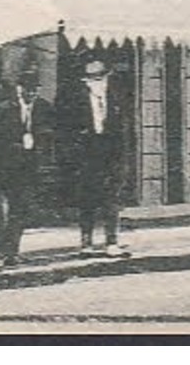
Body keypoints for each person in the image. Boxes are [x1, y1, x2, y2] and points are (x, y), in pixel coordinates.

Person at [61, 58, 130, 258]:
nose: (95, 83)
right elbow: (66, 130)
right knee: (87, 200)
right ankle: (86, 244)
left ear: (107, 77)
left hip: (111, 154)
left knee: (112, 200)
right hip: (86, 155)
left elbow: (125, 127)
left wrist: (123, 156)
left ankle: (111, 241)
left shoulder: (117, 97)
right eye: (90, 79)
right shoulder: (75, 99)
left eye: (99, 78)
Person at [0, 64, 53, 266]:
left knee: (21, 209)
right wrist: (15, 145)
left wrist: (38, 141)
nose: (31, 94)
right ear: (18, 89)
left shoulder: (43, 107)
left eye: (34, 90)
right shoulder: (5, 108)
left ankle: (12, 251)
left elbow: (49, 134)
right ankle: (0, 249)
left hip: (28, 167)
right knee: (4, 210)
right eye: (27, 89)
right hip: (5, 167)